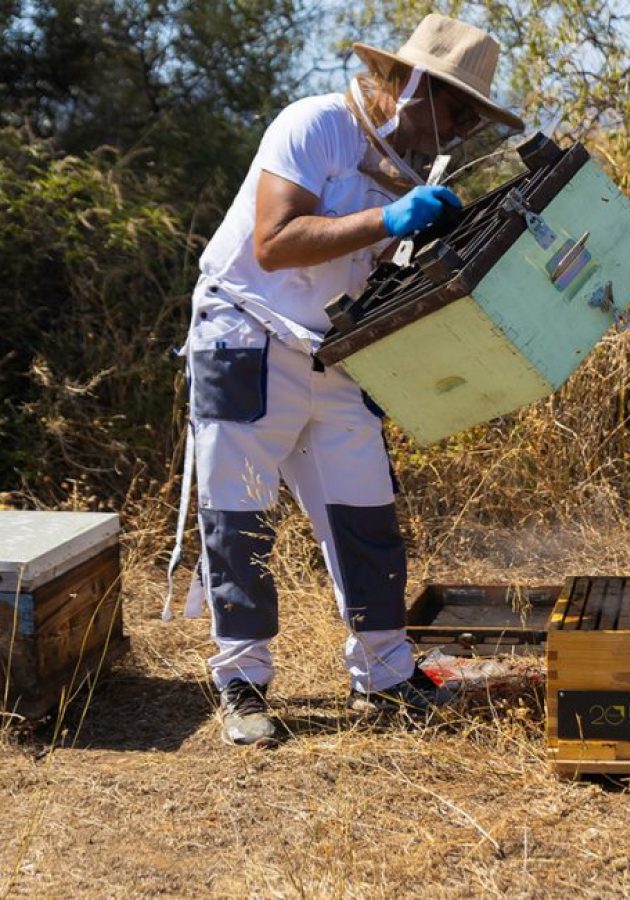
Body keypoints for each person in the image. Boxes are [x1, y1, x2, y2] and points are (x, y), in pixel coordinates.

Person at [166, 14, 525, 746]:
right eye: (457, 109)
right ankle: (241, 679)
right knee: (239, 516)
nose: (459, 130)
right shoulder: (314, 125)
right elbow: (273, 243)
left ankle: (386, 675)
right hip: (245, 330)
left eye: (472, 118)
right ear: (416, 84)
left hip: (331, 349)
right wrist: (386, 216)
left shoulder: (416, 166)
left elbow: (371, 278)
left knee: (366, 512)